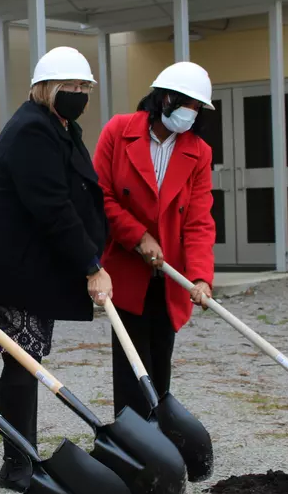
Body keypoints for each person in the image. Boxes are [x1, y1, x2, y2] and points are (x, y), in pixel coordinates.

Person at [0, 47, 112, 492]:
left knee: (27, 358)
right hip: (17, 266)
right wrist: (90, 264)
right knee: (22, 357)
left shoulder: (58, 126)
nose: (79, 95)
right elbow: (52, 206)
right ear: (46, 88)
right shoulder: (33, 130)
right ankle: (17, 462)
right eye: (70, 87)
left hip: (34, 264)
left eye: (84, 88)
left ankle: (22, 455)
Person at [92, 61, 216, 420]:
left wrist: (200, 276)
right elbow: (101, 195)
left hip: (170, 276)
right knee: (131, 366)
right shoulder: (118, 131)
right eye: (187, 104)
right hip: (127, 270)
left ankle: (160, 438)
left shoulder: (199, 152)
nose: (191, 114)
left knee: (160, 363)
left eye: (197, 108)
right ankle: (132, 438)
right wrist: (138, 236)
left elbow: (199, 220)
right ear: (164, 99)